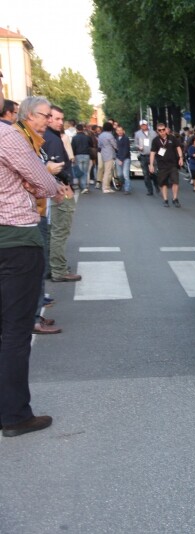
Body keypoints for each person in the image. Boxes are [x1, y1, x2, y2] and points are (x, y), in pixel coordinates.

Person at [0, 91, 66, 437]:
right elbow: (43, 182)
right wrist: (41, 185)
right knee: (15, 329)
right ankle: (14, 415)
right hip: (15, 238)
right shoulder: (8, 135)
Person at [43, 105, 82, 283]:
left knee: (54, 231)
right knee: (60, 231)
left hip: (55, 189)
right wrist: (66, 186)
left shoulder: (49, 136)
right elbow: (56, 168)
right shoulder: (52, 139)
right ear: (48, 118)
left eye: (62, 119)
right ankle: (59, 270)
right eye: (56, 118)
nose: (60, 122)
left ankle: (53, 267)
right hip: (60, 190)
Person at [149, 122, 184, 207]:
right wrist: (151, 164)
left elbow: (178, 147)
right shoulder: (155, 140)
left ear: (166, 129)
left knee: (175, 181)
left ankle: (175, 198)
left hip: (172, 164)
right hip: (162, 165)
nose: (162, 132)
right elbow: (152, 153)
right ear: (157, 131)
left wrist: (181, 157)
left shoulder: (172, 138)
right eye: (160, 130)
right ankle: (165, 199)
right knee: (163, 183)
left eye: (163, 129)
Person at [135, 120, 157, 196]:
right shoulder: (137, 134)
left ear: (147, 125)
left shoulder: (153, 133)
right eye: (142, 125)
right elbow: (136, 144)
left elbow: (157, 142)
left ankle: (156, 185)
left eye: (144, 125)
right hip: (143, 156)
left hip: (152, 155)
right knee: (146, 174)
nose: (143, 126)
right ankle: (150, 190)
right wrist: (138, 147)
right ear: (140, 126)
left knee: (154, 173)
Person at [97, 121, 117, 193]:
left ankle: (107, 187)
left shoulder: (100, 135)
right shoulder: (110, 135)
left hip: (103, 153)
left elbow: (99, 145)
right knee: (108, 171)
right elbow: (114, 145)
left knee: (107, 171)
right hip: (110, 154)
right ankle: (105, 187)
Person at [71, 123, 91, 193]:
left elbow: (73, 148)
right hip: (86, 155)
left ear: (76, 129)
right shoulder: (87, 137)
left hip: (78, 155)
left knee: (79, 171)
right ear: (83, 129)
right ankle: (84, 186)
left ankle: (81, 186)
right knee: (85, 171)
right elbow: (91, 145)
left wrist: (72, 156)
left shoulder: (74, 138)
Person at [115, 124, 131, 194]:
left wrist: (121, 159)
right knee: (119, 175)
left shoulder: (126, 138)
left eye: (121, 130)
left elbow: (126, 150)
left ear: (123, 131)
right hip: (118, 158)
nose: (119, 132)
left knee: (125, 174)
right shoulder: (116, 139)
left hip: (126, 158)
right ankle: (122, 183)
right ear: (116, 131)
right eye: (118, 130)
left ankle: (127, 189)